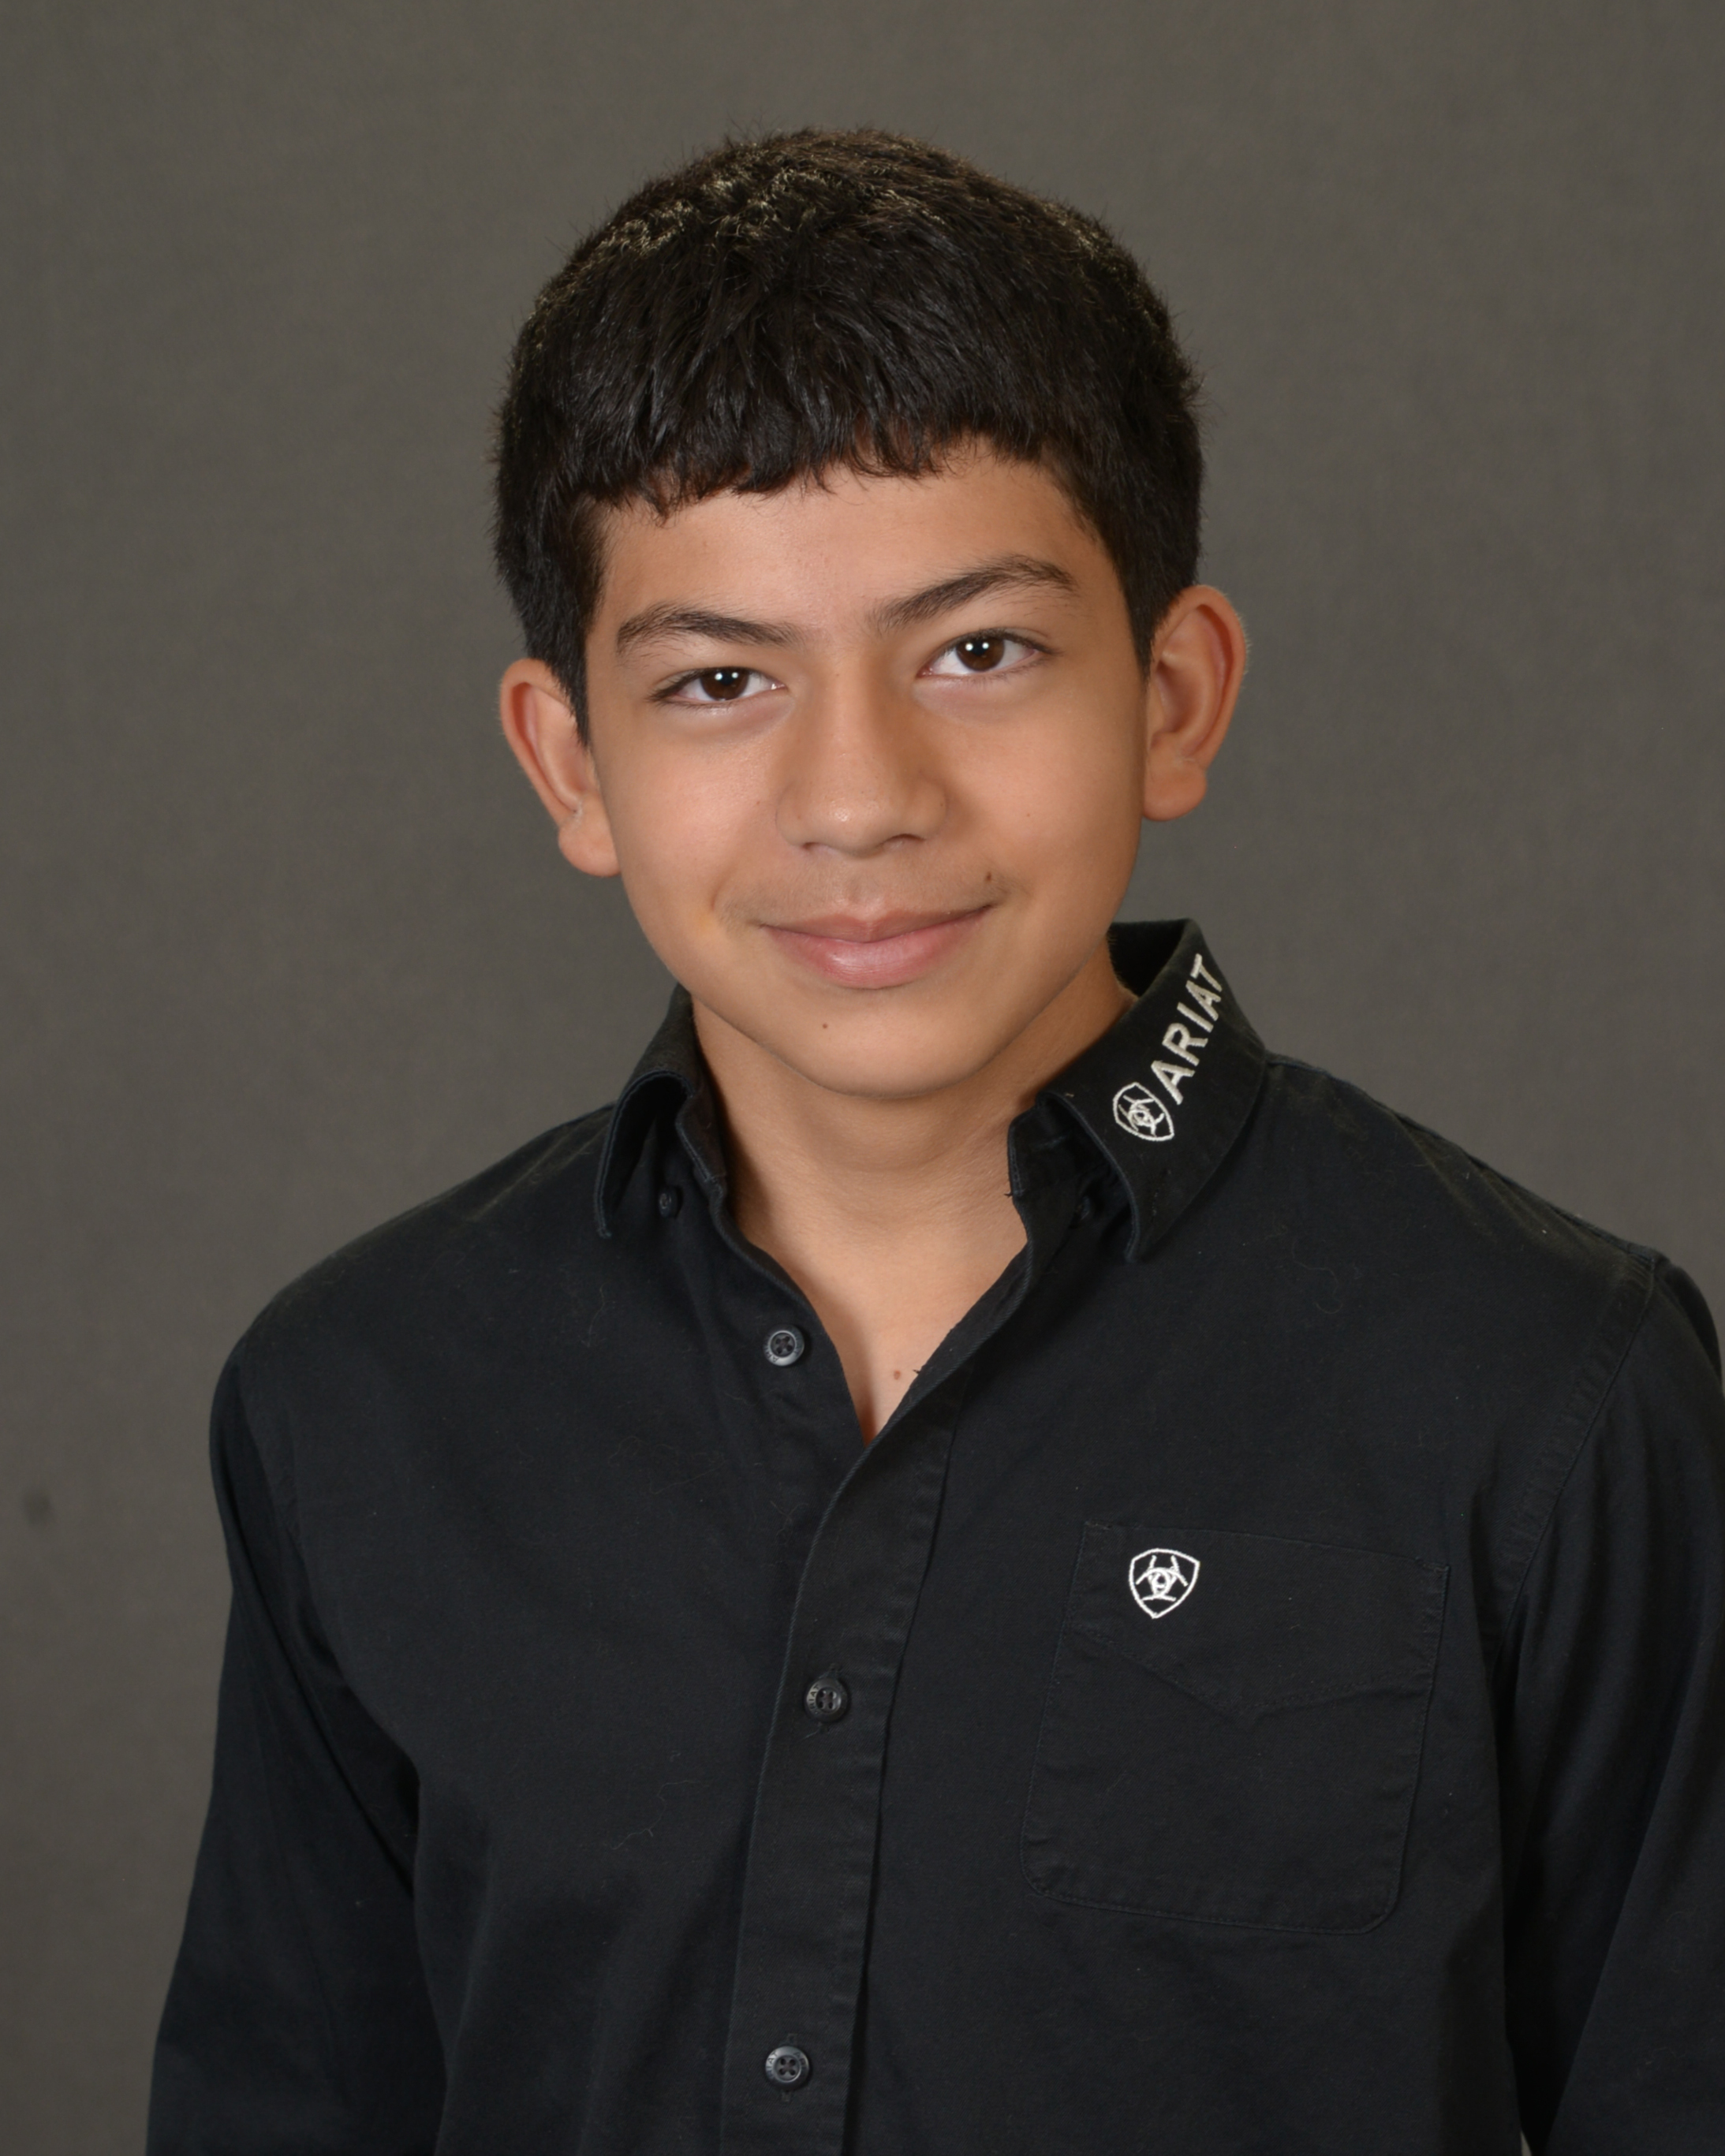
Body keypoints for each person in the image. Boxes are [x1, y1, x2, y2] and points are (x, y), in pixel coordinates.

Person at [147, 130, 1725, 2155]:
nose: (860, 795)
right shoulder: (359, 1399)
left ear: (1171, 695)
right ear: (570, 762)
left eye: (977, 650)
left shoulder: (1543, 1388)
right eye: (719, 678)